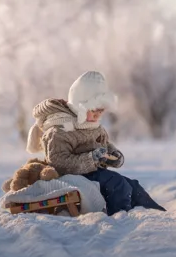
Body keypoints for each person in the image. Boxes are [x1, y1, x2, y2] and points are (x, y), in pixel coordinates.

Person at [25, 70, 166, 216]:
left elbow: (104, 144)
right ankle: (120, 215)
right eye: (94, 110)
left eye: (101, 111)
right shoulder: (59, 130)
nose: (98, 115)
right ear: (80, 106)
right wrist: (91, 158)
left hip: (91, 172)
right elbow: (58, 162)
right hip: (68, 176)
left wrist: (113, 155)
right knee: (116, 182)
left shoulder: (93, 125)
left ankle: (155, 212)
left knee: (132, 185)